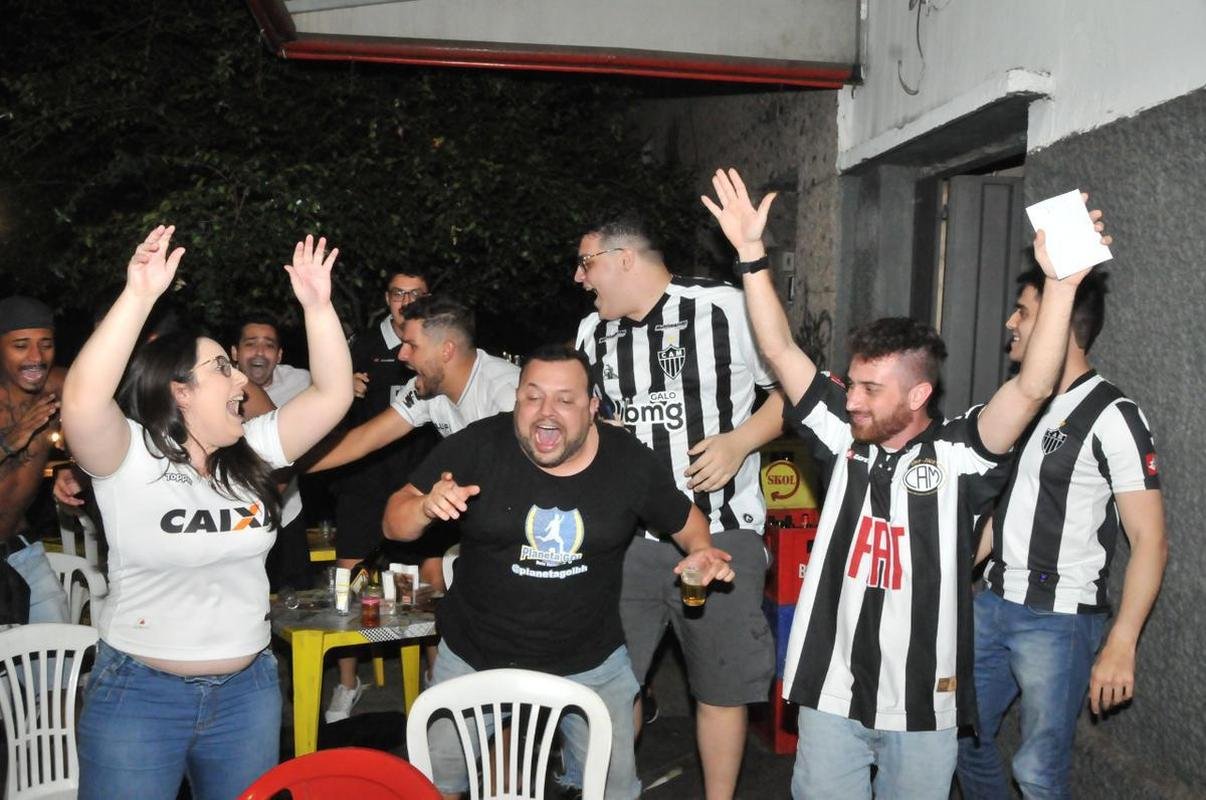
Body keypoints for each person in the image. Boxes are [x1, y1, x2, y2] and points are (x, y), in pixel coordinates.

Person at [701, 167, 1111, 799]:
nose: (854, 399)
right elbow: (781, 352)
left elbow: (1031, 388)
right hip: (832, 691)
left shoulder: (961, 452)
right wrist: (751, 255)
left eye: (871, 389)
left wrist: (1060, 286)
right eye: (853, 383)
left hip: (924, 704)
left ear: (918, 394)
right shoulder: (842, 431)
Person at [63, 227, 353, 799]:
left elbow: (334, 395)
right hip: (140, 698)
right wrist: (139, 294)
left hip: (248, 695)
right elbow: (82, 400)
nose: (242, 378)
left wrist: (318, 307)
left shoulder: (255, 451)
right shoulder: (126, 457)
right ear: (180, 392)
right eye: (223, 368)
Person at [383, 344, 735, 800]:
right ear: (516, 400)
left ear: (592, 408)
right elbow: (393, 521)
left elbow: (688, 524)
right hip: (474, 655)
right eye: (532, 397)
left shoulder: (627, 460)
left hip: (590, 662)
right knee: (431, 786)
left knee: (612, 790)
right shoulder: (479, 445)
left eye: (566, 399)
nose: (546, 413)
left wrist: (703, 551)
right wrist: (426, 507)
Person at [573, 213, 782, 799]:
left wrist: (739, 443)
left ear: (623, 259)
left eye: (586, 262)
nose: (579, 277)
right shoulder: (592, 333)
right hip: (628, 543)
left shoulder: (725, 308)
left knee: (718, 686)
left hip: (721, 533)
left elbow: (792, 393)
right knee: (614, 685)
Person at [956, 269, 1167, 799]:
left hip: (1060, 620)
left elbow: (1151, 541)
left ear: (1063, 320)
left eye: (1023, 311)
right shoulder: (1021, 406)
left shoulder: (1114, 414)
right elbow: (1006, 511)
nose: (1011, 323)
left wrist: (1122, 643)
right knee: (959, 736)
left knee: (1037, 772)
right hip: (995, 601)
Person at [311, 294, 518, 720]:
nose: (402, 356)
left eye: (411, 346)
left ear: (446, 350)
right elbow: (366, 438)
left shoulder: (506, 392)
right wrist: (290, 466)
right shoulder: (428, 388)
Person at [320, 270, 440, 721]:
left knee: (421, 588)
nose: (406, 301)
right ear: (386, 298)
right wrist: (341, 393)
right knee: (346, 586)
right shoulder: (360, 345)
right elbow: (330, 409)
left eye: (416, 293)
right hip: (364, 479)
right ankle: (348, 685)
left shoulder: (434, 343)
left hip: (418, 480)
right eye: (397, 293)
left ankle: (436, 680)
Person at [230, 313, 314, 591]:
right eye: (250, 344)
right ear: (234, 352)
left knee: (295, 603)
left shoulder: (303, 383)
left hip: (287, 512)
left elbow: (331, 399)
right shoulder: (218, 387)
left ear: (279, 355)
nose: (259, 352)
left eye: (268, 345)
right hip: (232, 514)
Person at [0, 295, 71, 624]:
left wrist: (79, 469)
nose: (36, 358)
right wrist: (10, 442)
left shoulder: (57, 387)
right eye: (21, 345)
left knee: (57, 651)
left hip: (21, 548)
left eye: (46, 344)